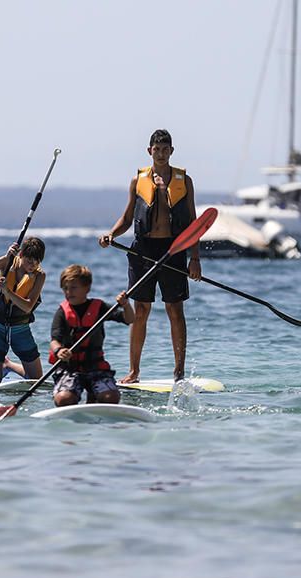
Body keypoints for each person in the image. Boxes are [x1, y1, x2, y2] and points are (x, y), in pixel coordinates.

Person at [98, 128, 201, 382]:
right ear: (149, 151)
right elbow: (127, 217)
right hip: (143, 250)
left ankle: (179, 371)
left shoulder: (183, 181)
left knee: (174, 310)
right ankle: (134, 371)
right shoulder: (138, 180)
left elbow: (192, 222)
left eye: (166, 149)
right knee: (141, 309)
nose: (162, 154)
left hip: (173, 250)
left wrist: (194, 258)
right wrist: (111, 234)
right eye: (157, 150)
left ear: (172, 151)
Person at [50, 264, 135, 406]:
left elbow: (129, 319)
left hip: (95, 367)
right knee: (63, 400)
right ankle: (76, 395)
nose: (68, 292)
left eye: (73, 287)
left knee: (111, 397)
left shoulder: (99, 307)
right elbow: (54, 341)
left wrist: (126, 305)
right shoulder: (62, 312)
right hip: (70, 369)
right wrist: (59, 351)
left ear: (87, 288)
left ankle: (94, 395)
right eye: (65, 288)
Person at [0, 237, 46, 384]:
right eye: (29, 260)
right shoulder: (8, 263)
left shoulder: (39, 276)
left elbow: (27, 306)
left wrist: (7, 292)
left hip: (20, 328)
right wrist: (5, 257)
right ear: (20, 255)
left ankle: (8, 364)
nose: (32, 265)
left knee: (36, 380)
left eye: (37, 261)